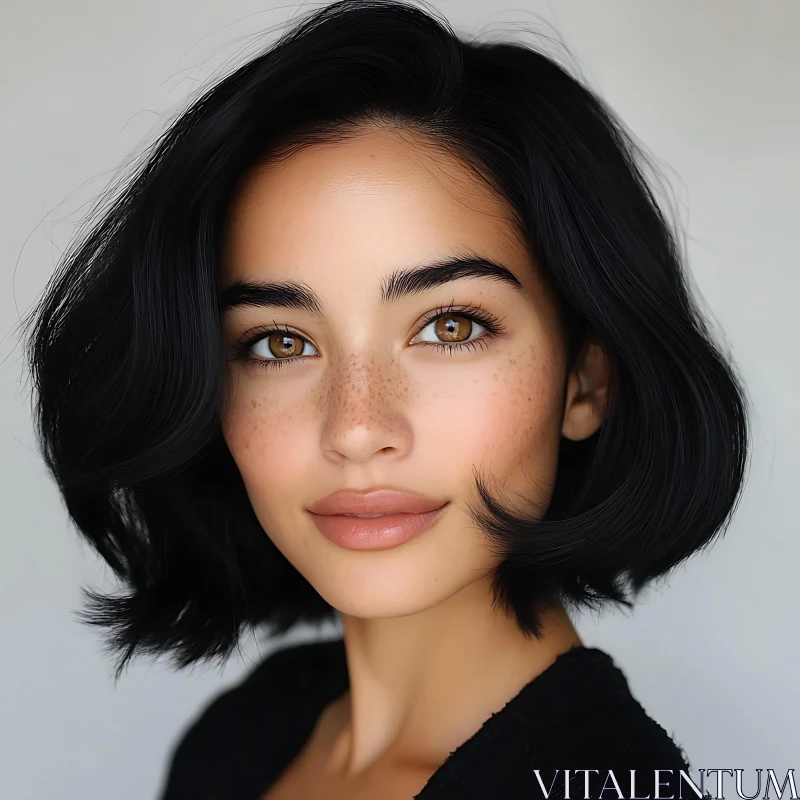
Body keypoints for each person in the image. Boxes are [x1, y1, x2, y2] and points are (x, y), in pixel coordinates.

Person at [22, 1, 748, 798]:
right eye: (279, 342)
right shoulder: (243, 736)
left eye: (450, 326)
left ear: (586, 379)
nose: (358, 427)